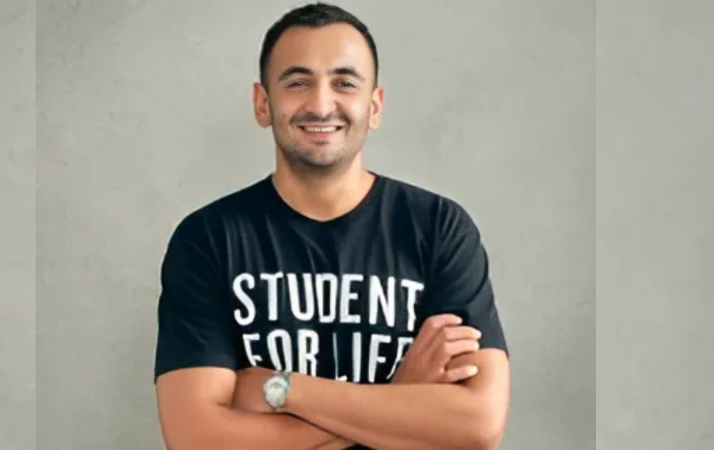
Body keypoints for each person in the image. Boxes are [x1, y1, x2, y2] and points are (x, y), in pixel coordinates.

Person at [153, 3, 510, 450]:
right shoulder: (209, 238)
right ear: (263, 104)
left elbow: (478, 425)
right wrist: (401, 396)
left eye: (344, 83)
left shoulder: (438, 228)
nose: (321, 105)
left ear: (374, 106)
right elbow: (197, 439)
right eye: (297, 82)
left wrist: (282, 389)